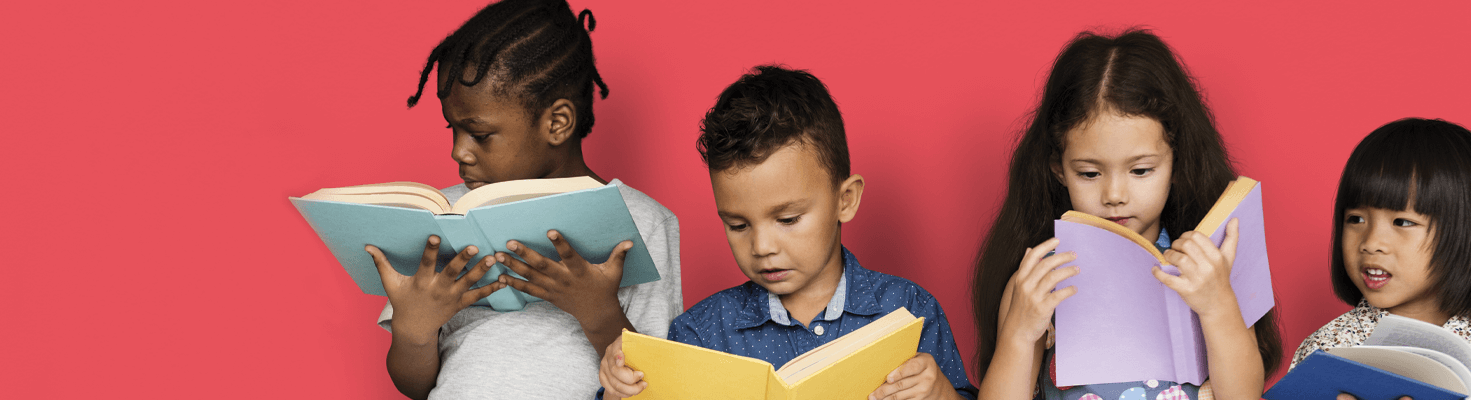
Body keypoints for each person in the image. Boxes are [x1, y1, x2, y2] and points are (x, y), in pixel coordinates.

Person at [596, 65, 978, 400]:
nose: (762, 247)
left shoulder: (909, 310)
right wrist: (619, 391)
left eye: (788, 219)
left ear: (845, 200)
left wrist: (942, 394)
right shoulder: (700, 334)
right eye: (738, 225)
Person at [366, 1, 682, 398]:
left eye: (479, 134)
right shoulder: (443, 218)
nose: (458, 152)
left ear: (557, 123)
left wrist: (597, 311)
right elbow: (414, 385)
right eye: (453, 129)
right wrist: (414, 330)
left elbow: (658, 385)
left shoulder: (645, 222)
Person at [968, 29, 1282, 400]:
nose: (1114, 196)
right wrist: (1019, 336)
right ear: (1058, 169)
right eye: (1089, 173)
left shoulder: (1205, 266)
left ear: (1177, 164)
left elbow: (1244, 396)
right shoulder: (1042, 277)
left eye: (1140, 171)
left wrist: (1218, 306)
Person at [1293, 118, 1471, 397]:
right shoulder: (1325, 351)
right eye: (1356, 218)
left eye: (1402, 222)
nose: (1371, 243)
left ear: (1466, 231)